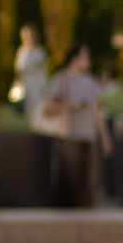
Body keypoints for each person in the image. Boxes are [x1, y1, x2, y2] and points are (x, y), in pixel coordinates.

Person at [42, 42, 108, 210]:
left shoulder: (90, 81)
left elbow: (97, 110)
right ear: (75, 58)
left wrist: (105, 137)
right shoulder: (61, 80)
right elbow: (48, 109)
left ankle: (87, 216)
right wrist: (72, 106)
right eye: (85, 55)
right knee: (68, 182)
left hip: (88, 137)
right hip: (68, 137)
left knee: (87, 184)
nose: (89, 59)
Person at [9, 22, 49, 127]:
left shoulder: (39, 51)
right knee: (27, 103)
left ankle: (38, 123)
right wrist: (16, 81)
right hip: (25, 81)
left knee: (36, 102)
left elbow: (43, 68)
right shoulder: (22, 50)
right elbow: (18, 68)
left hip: (36, 81)